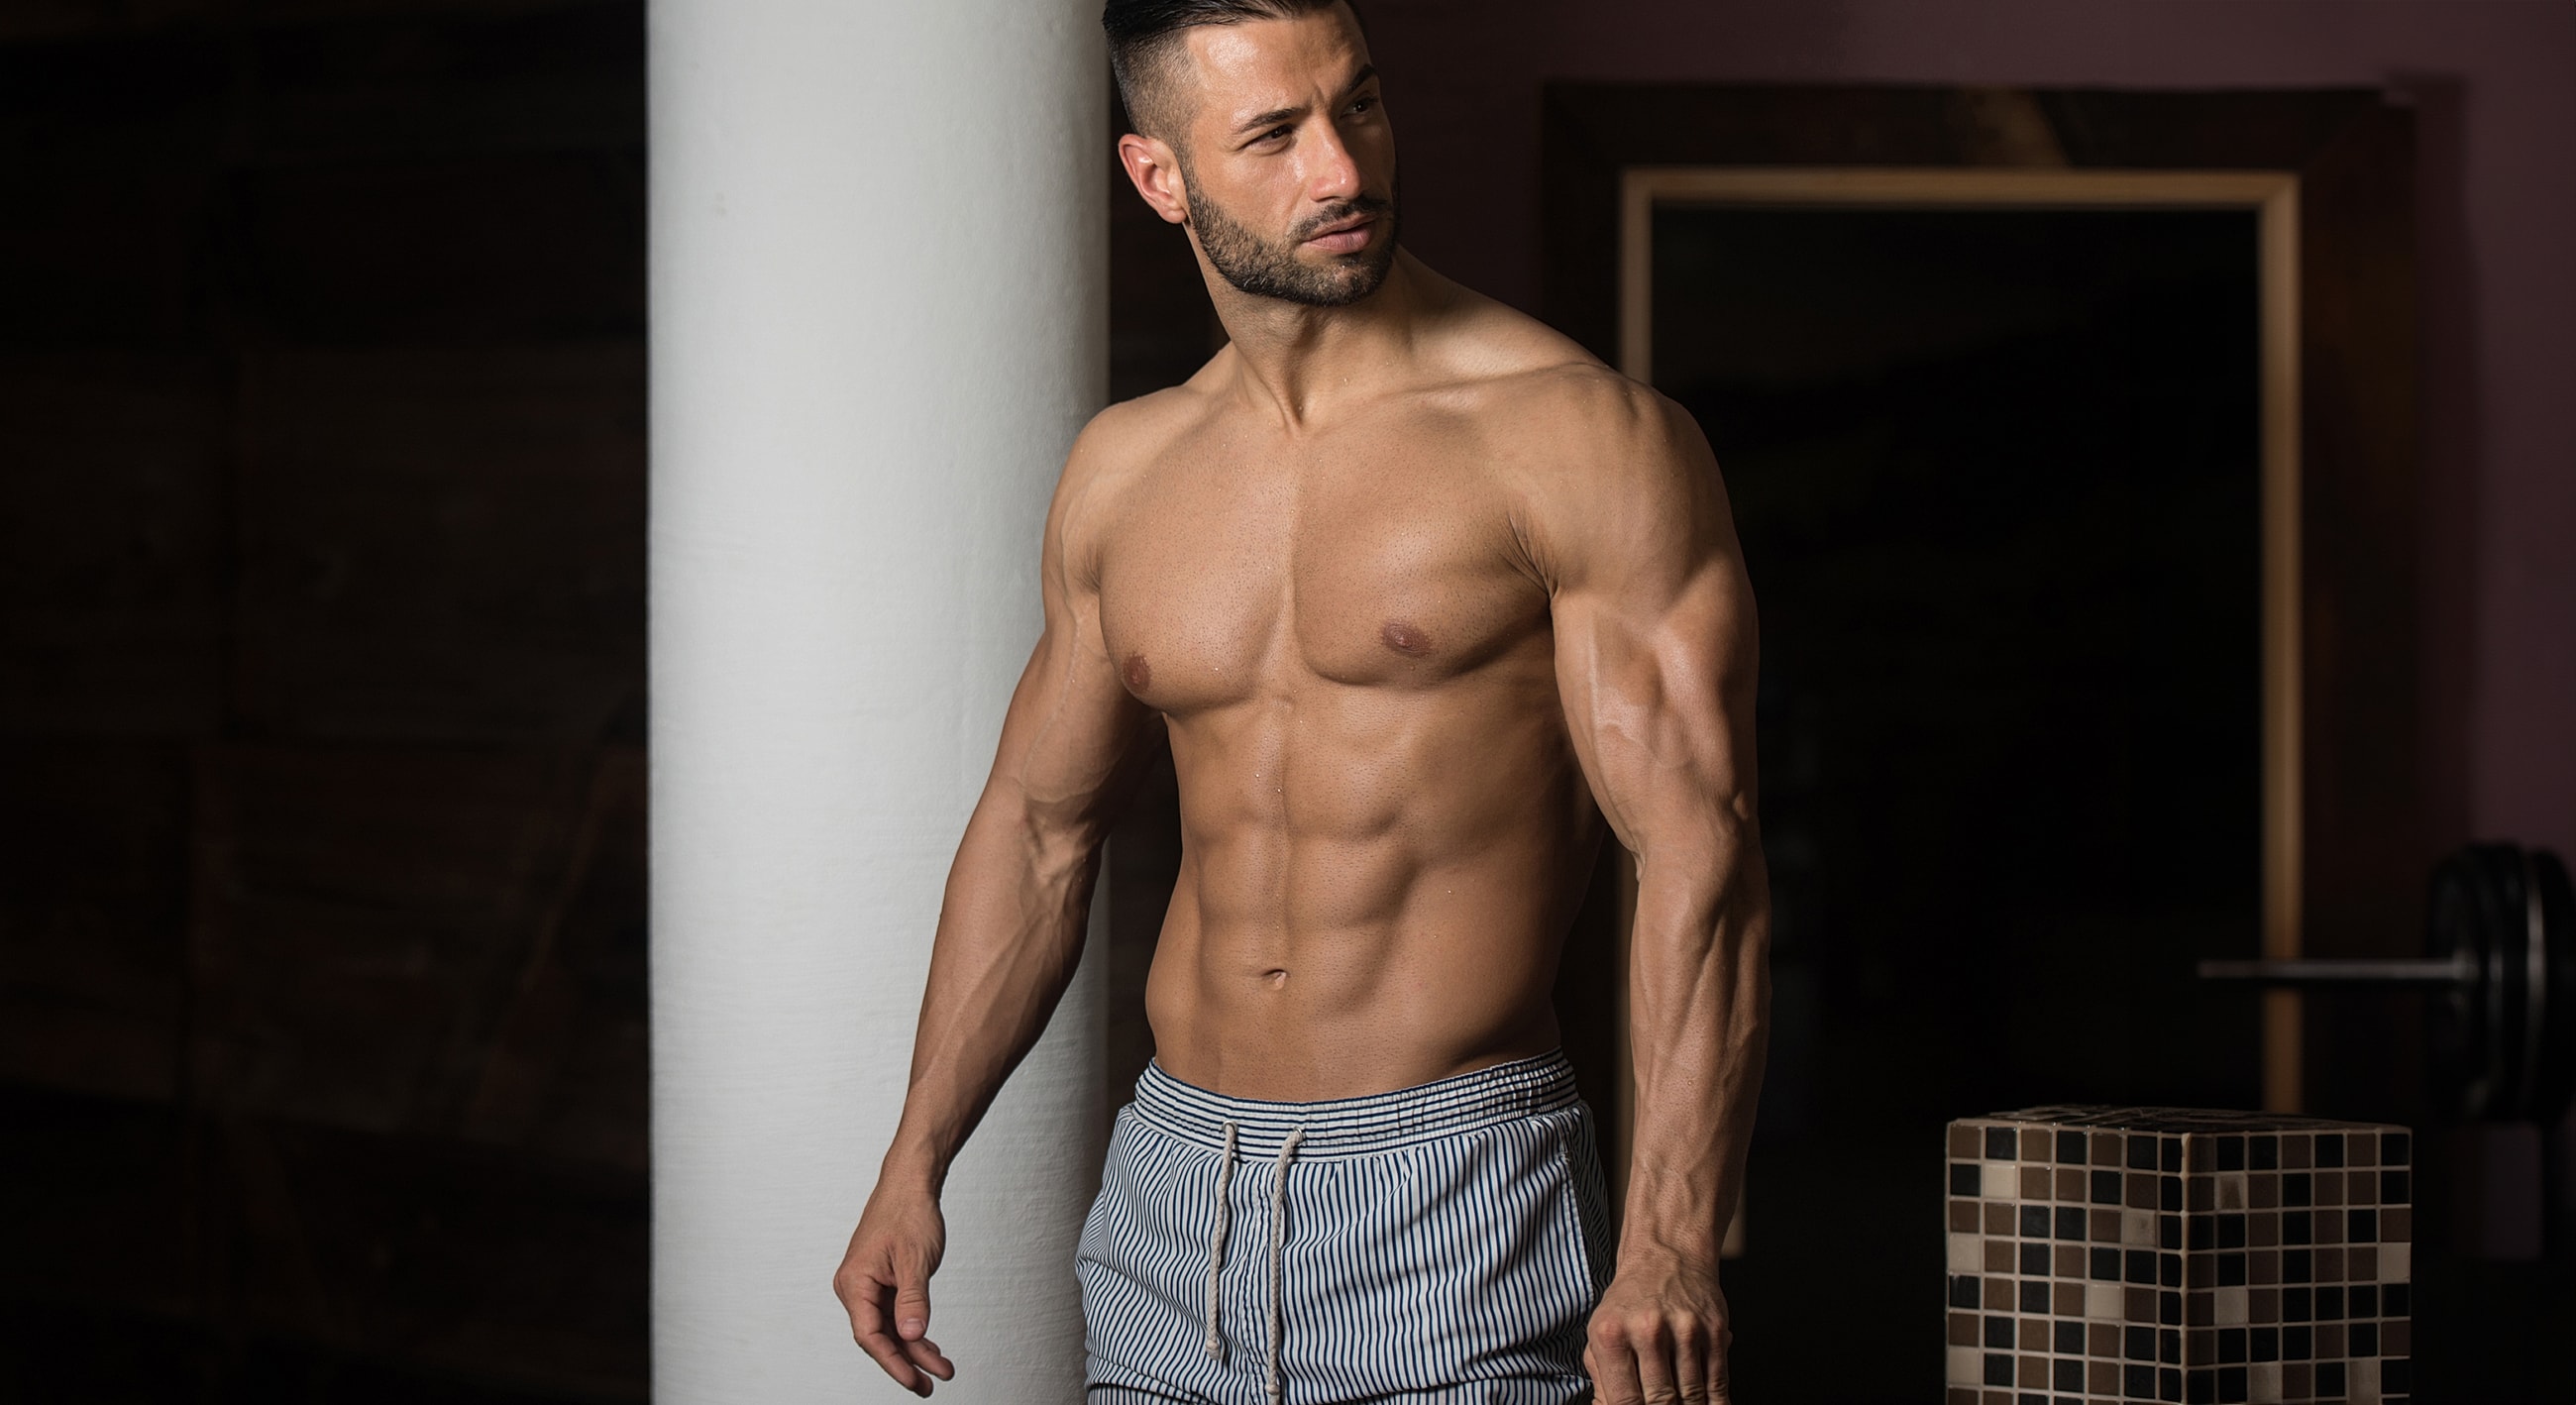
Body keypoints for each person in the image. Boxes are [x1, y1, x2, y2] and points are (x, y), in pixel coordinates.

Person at [832, 1, 1769, 1400]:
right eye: (1274, 133)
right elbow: (1037, 830)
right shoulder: (1125, 474)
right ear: (1161, 176)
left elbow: (1703, 848)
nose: (1342, 169)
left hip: (1457, 1195)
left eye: (1361, 107)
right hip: (1169, 1197)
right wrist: (914, 1157)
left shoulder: (1574, 436)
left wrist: (1673, 1236)